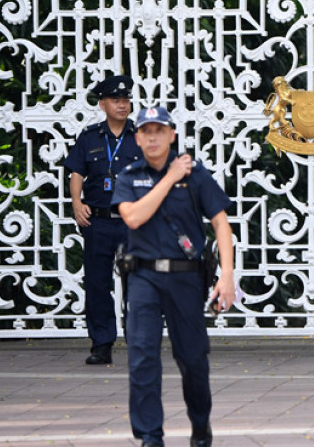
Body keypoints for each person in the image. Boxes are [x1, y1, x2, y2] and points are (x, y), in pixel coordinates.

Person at [113, 107, 235, 447]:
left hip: (185, 279)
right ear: (137, 138)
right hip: (143, 278)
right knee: (142, 356)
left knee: (193, 359)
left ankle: (200, 425)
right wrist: (169, 178)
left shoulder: (195, 176)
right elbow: (134, 218)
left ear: (172, 136)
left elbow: (221, 223)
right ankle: (151, 436)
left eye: (159, 130)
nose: (153, 137)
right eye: (146, 131)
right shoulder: (129, 176)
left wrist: (227, 275)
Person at [61, 74, 142, 365]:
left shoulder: (141, 136)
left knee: (138, 281)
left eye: (126, 100)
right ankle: (102, 344)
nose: (122, 105)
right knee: (97, 283)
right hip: (98, 221)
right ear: (102, 103)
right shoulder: (89, 137)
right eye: (115, 100)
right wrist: (76, 202)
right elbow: (76, 173)